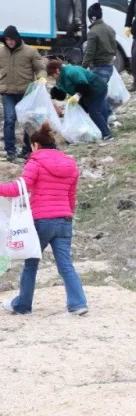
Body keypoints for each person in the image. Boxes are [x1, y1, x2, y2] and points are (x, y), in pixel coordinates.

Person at [1, 122, 88, 316]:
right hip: (64, 219)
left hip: (41, 221)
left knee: (31, 264)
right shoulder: (70, 164)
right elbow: (71, 196)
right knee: (65, 264)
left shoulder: (36, 162)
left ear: (35, 145)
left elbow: (18, 188)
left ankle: (22, 305)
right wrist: (67, 214)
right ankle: (78, 303)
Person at [1, 25, 46, 162]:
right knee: (9, 120)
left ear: (17, 38)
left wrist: (41, 78)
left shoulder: (30, 52)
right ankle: (10, 151)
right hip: (7, 92)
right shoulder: (1, 52)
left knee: (27, 122)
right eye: (7, 39)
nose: (10, 42)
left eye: (12, 39)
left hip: (26, 93)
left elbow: (40, 68)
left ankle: (27, 150)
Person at [47, 60, 112, 141]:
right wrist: (51, 96)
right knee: (79, 111)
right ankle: (81, 134)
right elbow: (61, 92)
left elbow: (84, 86)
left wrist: (78, 95)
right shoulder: (60, 78)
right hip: (85, 93)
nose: (53, 77)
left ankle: (106, 134)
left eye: (52, 75)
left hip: (97, 88)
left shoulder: (71, 71)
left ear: (57, 70)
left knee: (94, 111)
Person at [83, 4, 118, 85]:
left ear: (93, 18)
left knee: (97, 92)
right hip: (109, 67)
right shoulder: (110, 29)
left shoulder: (92, 32)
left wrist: (83, 68)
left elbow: (89, 53)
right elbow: (114, 46)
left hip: (98, 68)